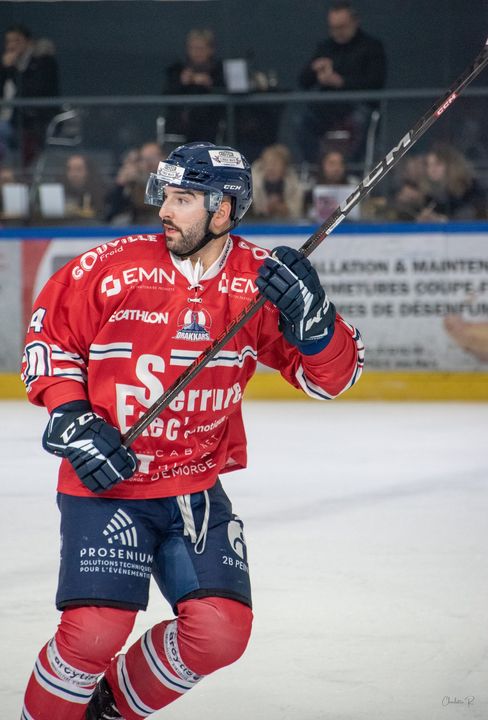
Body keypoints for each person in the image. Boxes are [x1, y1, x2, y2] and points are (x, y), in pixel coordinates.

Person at [20, 141, 364, 720]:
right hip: (109, 487)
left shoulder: (261, 283)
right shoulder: (111, 267)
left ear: (223, 209)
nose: (164, 210)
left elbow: (331, 380)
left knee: (220, 632)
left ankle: (107, 710)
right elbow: (48, 341)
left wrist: (316, 325)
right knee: (95, 633)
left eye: (182, 199)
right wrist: (72, 418)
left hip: (194, 490)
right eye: (166, 196)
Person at [296, 1, 386, 163]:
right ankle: (319, 168)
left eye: (342, 27)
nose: (337, 32)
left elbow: (376, 82)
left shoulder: (371, 46)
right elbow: (303, 81)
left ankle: (352, 170)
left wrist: (341, 82)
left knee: (360, 122)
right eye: (333, 28)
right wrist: (314, 68)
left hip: (358, 106)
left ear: (355, 22)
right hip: (328, 108)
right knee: (302, 122)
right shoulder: (325, 47)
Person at [0, 24, 59, 167]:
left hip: (33, 121)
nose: (12, 46)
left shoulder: (43, 62)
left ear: (29, 42)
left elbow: (32, 91)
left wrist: (12, 69)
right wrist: (4, 69)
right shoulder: (6, 64)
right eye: (9, 41)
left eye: (17, 41)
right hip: (9, 119)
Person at [164, 29, 225, 143]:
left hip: (210, 125)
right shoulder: (177, 69)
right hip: (181, 125)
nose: (197, 53)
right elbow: (166, 95)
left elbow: (227, 95)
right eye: (193, 48)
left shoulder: (219, 71)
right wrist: (182, 82)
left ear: (211, 50)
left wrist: (210, 85)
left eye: (201, 48)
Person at [416, 143, 487, 222]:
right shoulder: (430, 196)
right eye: (428, 165)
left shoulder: (470, 188)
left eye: (438, 164)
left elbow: (477, 214)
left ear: (451, 165)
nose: (432, 169)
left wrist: (444, 220)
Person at [104, 141, 166, 224]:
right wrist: (121, 185)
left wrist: (140, 181)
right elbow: (111, 210)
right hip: (134, 221)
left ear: (163, 157)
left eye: (152, 158)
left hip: (159, 220)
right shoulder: (137, 178)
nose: (148, 163)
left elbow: (153, 205)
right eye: (144, 159)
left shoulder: (172, 175)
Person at [251, 143, 305, 219]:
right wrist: (266, 207)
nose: (270, 168)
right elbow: (251, 210)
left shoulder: (293, 182)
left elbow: (297, 210)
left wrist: (281, 208)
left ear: (285, 166)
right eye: (267, 163)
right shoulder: (252, 183)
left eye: (275, 164)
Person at [61, 153, 107, 221]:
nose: (73, 174)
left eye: (79, 169)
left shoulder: (101, 193)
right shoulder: (60, 191)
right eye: (69, 169)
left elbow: (102, 215)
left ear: (88, 171)